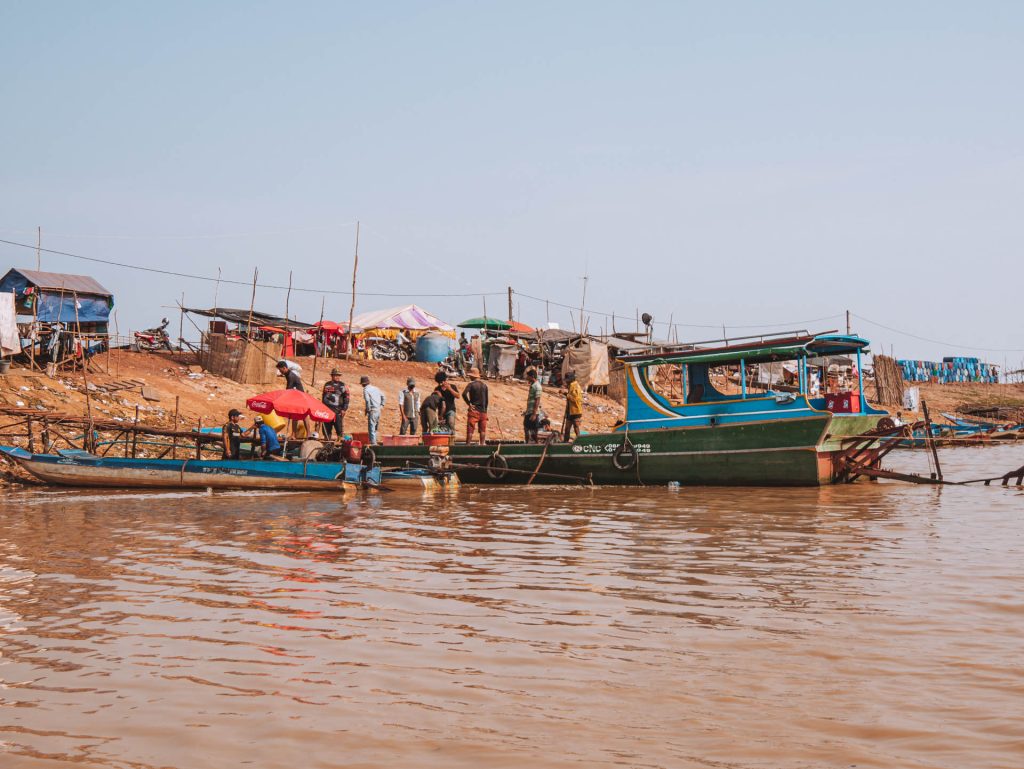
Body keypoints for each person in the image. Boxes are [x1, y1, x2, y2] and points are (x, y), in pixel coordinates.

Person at [321, 368, 350, 440]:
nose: (337, 377)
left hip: (338, 411)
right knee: (326, 430)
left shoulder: (343, 385)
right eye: (336, 375)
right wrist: (322, 408)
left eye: (339, 375)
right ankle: (327, 444)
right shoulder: (327, 385)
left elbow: (347, 398)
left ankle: (340, 443)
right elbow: (323, 397)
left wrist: (344, 409)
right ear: (332, 376)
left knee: (339, 429)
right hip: (327, 411)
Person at [462, 367, 489, 444]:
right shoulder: (484, 385)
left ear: (473, 376)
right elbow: (486, 400)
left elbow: (464, 394)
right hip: (483, 411)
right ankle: (482, 444)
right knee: (482, 430)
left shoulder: (471, 385)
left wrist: (469, 404)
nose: (469, 377)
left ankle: (467, 446)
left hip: (474, 411)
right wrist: (485, 411)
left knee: (470, 430)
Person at [360, 375, 385, 444]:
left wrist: (368, 410)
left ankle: (373, 444)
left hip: (372, 410)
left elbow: (367, 401)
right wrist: (381, 406)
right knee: (376, 428)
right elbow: (383, 397)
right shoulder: (376, 388)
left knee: (371, 428)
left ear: (363, 384)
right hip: (378, 410)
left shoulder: (366, 390)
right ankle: (375, 441)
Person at [563, 370, 584, 441]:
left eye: (567, 380)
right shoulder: (571, 386)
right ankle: (565, 442)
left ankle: (579, 442)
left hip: (576, 411)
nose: (566, 381)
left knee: (576, 427)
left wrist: (566, 395)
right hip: (570, 411)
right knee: (567, 428)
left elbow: (576, 399)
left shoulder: (576, 387)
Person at [524, 368, 542, 442]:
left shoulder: (537, 386)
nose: (527, 378)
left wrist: (534, 414)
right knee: (526, 428)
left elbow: (537, 400)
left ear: (532, 376)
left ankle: (534, 445)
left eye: (528, 376)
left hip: (533, 412)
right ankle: (527, 443)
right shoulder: (533, 385)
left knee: (534, 431)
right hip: (529, 411)